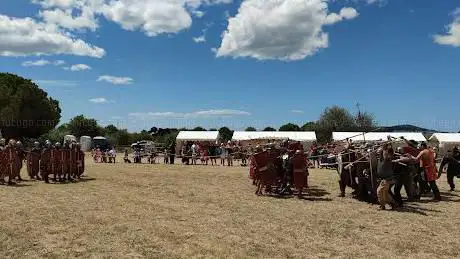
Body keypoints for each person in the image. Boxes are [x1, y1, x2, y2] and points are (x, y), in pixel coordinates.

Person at [376, 145, 397, 210]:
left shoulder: (387, 159)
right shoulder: (380, 159)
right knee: (384, 193)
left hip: (387, 179)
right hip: (383, 179)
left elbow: (387, 155)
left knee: (379, 191)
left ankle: (382, 205)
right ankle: (393, 203)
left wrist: (385, 149)